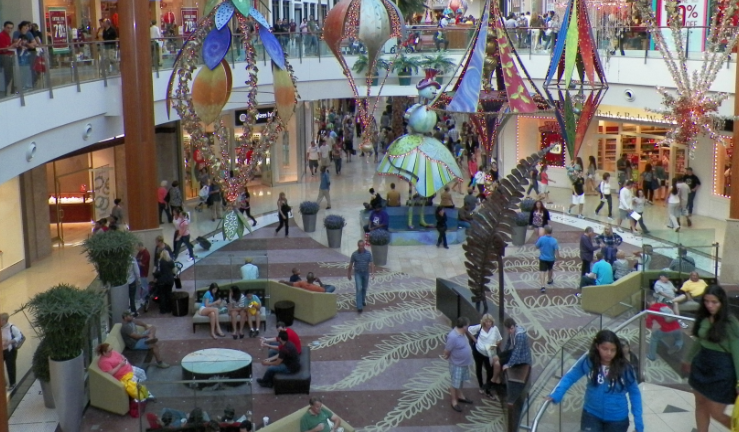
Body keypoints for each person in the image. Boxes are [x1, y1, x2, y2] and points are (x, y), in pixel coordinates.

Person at [546, 330, 643, 432]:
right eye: (605, 349)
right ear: (597, 346)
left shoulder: (625, 368)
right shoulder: (588, 361)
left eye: (613, 350)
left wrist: (638, 422)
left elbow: (634, 393)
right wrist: (557, 394)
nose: (609, 353)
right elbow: (571, 376)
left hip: (617, 419)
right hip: (591, 415)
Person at [683, 285, 739, 432]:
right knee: (700, 404)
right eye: (707, 301)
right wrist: (688, 359)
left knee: (716, 413)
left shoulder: (730, 323)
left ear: (722, 302)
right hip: (701, 365)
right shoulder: (704, 317)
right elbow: (700, 340)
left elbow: (737, 352)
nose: (710, 305)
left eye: (714, 302)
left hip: (722, 370)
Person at [441, 317, 474, 412]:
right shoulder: (453, 337)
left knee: (460, 381)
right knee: (454, 383)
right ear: (464, 327)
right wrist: (447, 356)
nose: (468, 327)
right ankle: (454, 401)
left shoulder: (462, 333)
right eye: (467, 326)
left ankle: (460, 396)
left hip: (463, 363)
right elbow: (447, 351)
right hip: (457, 364)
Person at [468, 314, 502, 395]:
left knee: (489, 371)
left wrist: (492, 347)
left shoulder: (495, 329)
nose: (488, 323)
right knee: (478, 368)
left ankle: (487, 388)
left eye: (490, 321)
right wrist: (474, 340)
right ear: (484, 322)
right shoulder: (480, 327)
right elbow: (469, 330)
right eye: (486, 322)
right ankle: (481, 385)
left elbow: (499, 340)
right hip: (478, 352)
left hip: (489, 354)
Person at [645, 295, 683, 361]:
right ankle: (678, 345)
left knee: (654, 337)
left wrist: (650, 326)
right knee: (679, 339)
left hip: (665, 330)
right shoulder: (663, 305)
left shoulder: (651, 310)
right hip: (677, 327)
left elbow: (648, 324)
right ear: (655, 300)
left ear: (648, 302)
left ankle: (651, 356)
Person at [347, 239, 374, 313]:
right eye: (359, 246)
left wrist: (372, 273)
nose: (361, 247)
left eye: (362, 245)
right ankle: (359, 306)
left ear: (364, 245)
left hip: (366, 273)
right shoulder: (354, 254)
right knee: (359, 288)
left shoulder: (368, 254)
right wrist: (349, 273)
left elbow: (371, 263)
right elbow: (351, 264)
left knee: (364, 288)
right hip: (358, 273)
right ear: (358, 246)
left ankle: (362, 300)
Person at [1, 313, 22, 391]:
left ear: (4, 320)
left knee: (10, 367)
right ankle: (3, 383)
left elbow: (19, 336)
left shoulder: (11, 327)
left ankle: (12, 384)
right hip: (2, 351)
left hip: (10, 351)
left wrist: (10, 341)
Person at [535, 226, 560, 293]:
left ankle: (542, 286)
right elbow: (556, 251)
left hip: (543, 258)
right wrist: (557, 260)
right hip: (551, 258)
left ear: (545, 231)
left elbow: (536, 246)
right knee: (550, 269)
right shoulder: (554, 240)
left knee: (542, 271)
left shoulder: (541, 239)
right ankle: (549, 280)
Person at [0, 22, 21, 97]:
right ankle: (9, 92)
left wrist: (15, 45)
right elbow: (4, 49)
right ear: (4, 27)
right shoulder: (1, 36)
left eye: (11, 28)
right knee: (8, 75)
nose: (9, 30)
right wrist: (13, 45)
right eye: (8, 28)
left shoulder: (8, 36)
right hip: (4, 56)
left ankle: (11, 91)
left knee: (11, 74)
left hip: (9, 56)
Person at [153, 249, 176, 314]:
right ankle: (169, 309)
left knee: (162, 294)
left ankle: (163, 310)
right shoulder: (171, 262)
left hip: (161, 280)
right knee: (168, 293)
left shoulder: (158, 262)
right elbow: (174, 271)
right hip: (169, 280)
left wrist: (156, 277)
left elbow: (154, 271)